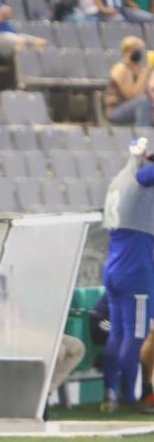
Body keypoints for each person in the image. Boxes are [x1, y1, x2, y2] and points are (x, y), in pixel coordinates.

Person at [100, 136, 154, 410]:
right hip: (136, 269)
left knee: (117, 334)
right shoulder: (141, 179)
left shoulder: (118, 181)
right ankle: (130, 397)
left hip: (114, 266)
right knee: (135, 334)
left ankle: (109, 394)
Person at [105, 36, 152, 126]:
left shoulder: (139, 69)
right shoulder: (120, 69)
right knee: (143, 102)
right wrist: (146, 72)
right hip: (117, 111)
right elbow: (132, 96)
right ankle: (143, 136)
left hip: (137, 106)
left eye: (140, 50)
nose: (139, 53)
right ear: (128, 51)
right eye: (136, 50)